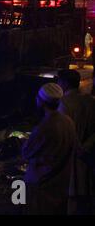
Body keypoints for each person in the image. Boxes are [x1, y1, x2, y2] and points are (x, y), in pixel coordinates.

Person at [22, 83, 77, 215]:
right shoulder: (68, 121)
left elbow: (26, 153)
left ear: (42, 102)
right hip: (61, 183)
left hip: (42, 185)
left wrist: (23, 142)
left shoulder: (45, 127)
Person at [57, 69, 95, 214]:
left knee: (72, 198)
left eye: (59, 81)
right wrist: (87, 146)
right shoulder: (90, 101)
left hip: (72, 157)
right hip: (88, 155)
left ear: (65, 83)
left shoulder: (63, 104)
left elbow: (64, 132)